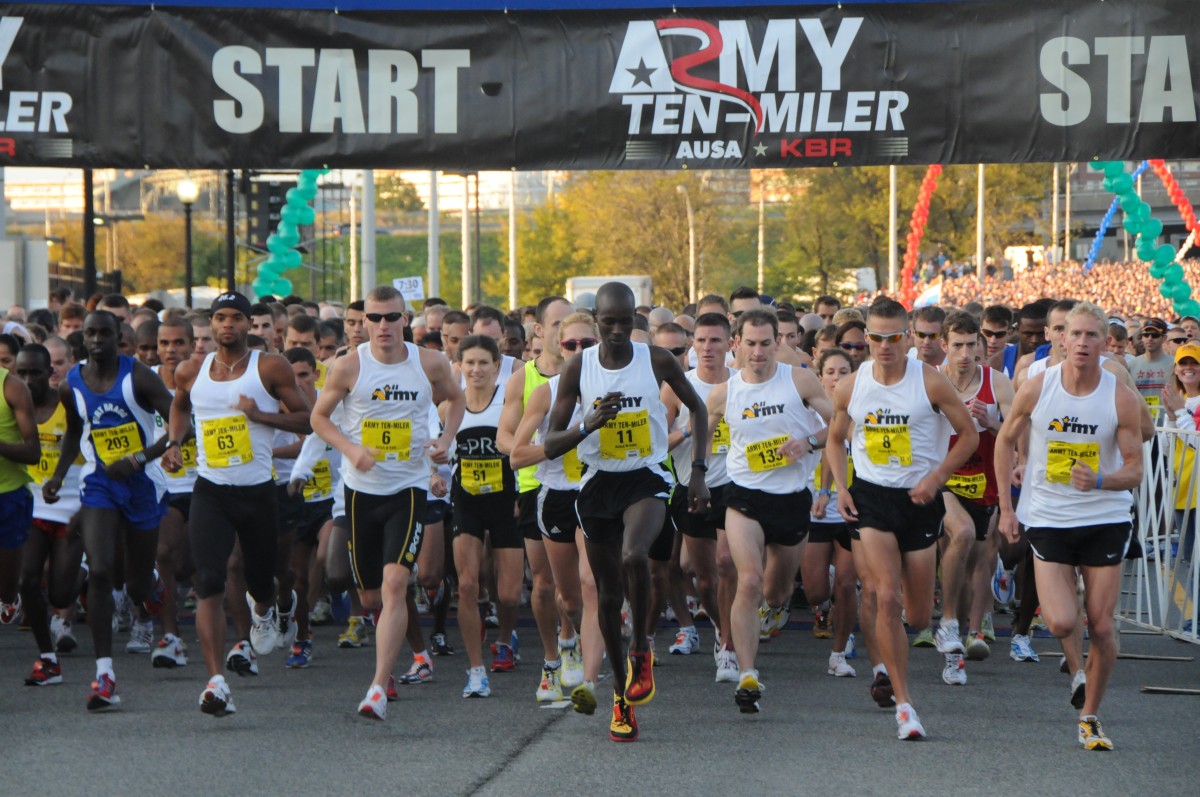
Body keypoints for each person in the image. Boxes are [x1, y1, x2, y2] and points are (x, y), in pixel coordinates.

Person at [543, 281, 709, 743]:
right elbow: (550, 445)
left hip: (647, 476)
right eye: (608, 322)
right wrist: (586, 425)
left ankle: (641, 651)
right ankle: (621, 696)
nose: (616, 331)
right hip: (598, 484)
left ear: (635, 318)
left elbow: (697, 409)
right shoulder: (578, 368)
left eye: (624, 322)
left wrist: (697, 471)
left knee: (636, 555)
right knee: (608, 597)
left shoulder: (655, 360)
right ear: (596, 322)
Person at [995, 302, 1147, 751]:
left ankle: (1091, 716)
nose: (1081, 343)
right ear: (1061, 339)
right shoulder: (1038, 388)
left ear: (1106, 344)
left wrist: (1101, 478)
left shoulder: (1118, 395)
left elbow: (1136, 468)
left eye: (1091, 337)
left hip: (1104, 517)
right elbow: (1004, 442)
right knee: (1062, 621)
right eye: (1074, 335)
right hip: (1050, 516)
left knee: (1101, 627)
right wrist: (1007, 508)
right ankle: (1074, 651)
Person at [826, 298, 978, 740]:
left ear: (908, 336)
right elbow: (836, 440)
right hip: (871, 498)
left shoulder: (930, 382)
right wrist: (840, 485)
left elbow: (968, 435)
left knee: (915, 617)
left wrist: (937, 478)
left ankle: (912, 646)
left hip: (919, 499)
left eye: (894, 337)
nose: (884, 346)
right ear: (866, 337)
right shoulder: (851, 386)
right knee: (885, 597)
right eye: (875, 337)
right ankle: (905, 704)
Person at [310, 285, 463, 721]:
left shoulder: (428, 362)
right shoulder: (347, 367)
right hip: (361, 491)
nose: (381, 326)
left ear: (406, 319)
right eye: (372, 319)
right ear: (361, 324)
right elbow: (318, 418)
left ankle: (378, 685)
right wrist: (350, 449)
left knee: (398, 583)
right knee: (371, 596)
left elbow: (456, 399)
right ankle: (413, 652)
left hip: (409, 488)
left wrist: (444, 440)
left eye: (390, 317)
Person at [163, 292, 313, 718]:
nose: (227, 325)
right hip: (210, 490)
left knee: (263, 581)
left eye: (236, 318)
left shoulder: (270, 367)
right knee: (208, 581)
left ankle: (268, 606)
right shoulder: (191, 370)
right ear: (209, 325)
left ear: (250, 324)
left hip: (257, 493)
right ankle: (216, 682)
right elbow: (179, 408)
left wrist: (262, 417)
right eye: (220, 318)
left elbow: (307, 420)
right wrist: (175, 443)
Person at [44, 310, 176, 711]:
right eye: (90, 334)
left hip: (141, 484)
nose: (97, 340)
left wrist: (138, 459)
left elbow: (179, 425)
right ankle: (105, 675)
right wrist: (59, 474)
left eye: (105, 333)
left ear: (118, 336)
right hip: (100, 483)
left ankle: (150, 586)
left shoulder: (138, 377)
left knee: (135, 586)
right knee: (100, 571)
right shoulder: (73, 382)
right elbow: (73, 431)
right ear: (82, 339)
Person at [704, 308, 831, 713]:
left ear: (778, 342)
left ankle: (774, 610)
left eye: (765, 344)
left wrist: (808, 443)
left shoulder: (799, 380)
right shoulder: (724, 393)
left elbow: (841, 424)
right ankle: (747, 673)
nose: (757, 353)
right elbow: (703, 439)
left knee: (776, 592)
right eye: (750, 344)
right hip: (744, 496)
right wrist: (694, 477)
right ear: (736, 344)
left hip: (792, 496)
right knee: (749, 580)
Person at [509, 311, 606, 707]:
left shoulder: (612, 388)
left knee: (591, 584)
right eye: (571, 344)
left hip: (596, 493)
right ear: (558, 346)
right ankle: (565, 646)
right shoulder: (545, 393)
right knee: (566, 597)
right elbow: (516, 456)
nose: (579, 351)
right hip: (554, 496)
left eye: (588, 344)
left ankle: (589, 680)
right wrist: (575, 435)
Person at [496, 296, 579, 702]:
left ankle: (572, 643)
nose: (567, 332)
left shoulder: (594, 373)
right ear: (540, 331)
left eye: (574, 324)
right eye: (559, 324)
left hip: (586, 485)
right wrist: (544, 447)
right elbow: (504, 437)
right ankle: (551, 660)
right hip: (536, 485)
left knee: (580, 583)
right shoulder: (524, 379)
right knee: (545, 584)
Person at [933, 313, 1014, 684]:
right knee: (961, 534)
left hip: (984, 482)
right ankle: (949, 623)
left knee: (975, 561)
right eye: (958, 346)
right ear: (944, 346)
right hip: (942, 479)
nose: (965, 354)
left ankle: (964, 635)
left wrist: (993, 422)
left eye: (971, 345)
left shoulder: (997, 383)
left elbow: (1017, 437)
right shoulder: (931, 380)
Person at [445, 335, 522, 697]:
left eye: (483, 363)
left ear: (496, 366)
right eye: (469, 363)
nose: (475, 370)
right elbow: (441, 453)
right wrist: (435, 473)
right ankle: (476, 669)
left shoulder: (508, 402)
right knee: (467, 585)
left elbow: (521, 448)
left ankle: (506, 637)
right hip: (467, 501)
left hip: (507, 501)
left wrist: (524, 491)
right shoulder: (450, 407)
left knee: (508, 595)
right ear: (459, 366)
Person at [661, 312, 736, 681]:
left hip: (736, 488)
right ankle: (724, 631)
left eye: (716, 341)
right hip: (691, 487)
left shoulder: (743, 384)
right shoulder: (677, 387)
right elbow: (656, 443)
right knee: (706, 579)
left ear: (730, 344)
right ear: (693, 344)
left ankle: (732, 645)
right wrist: (691, 431)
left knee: (727, 564)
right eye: (701, 341)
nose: (708, 348)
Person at [16, 344, 85, 685]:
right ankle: (47, 658)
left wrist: (59, 476)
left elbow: (78, 438)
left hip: (70, 502)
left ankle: (82, 574)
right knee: (26, 579)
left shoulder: (66, 400)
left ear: (50, 373)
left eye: (35, 373)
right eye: (22, 373)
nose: (28, 380)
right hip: (32, 503)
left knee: (59, 595)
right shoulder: (14, 406)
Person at [807, 348, 865, 678]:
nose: (836, 377)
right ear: (820, 377)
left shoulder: (861, 412)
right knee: (816, 590)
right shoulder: (807, 413)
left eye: (844, 371)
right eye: (830, 371)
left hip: (851, 507)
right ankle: (823, 603)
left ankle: (839, 652)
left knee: (846, 583)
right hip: (815, 509)